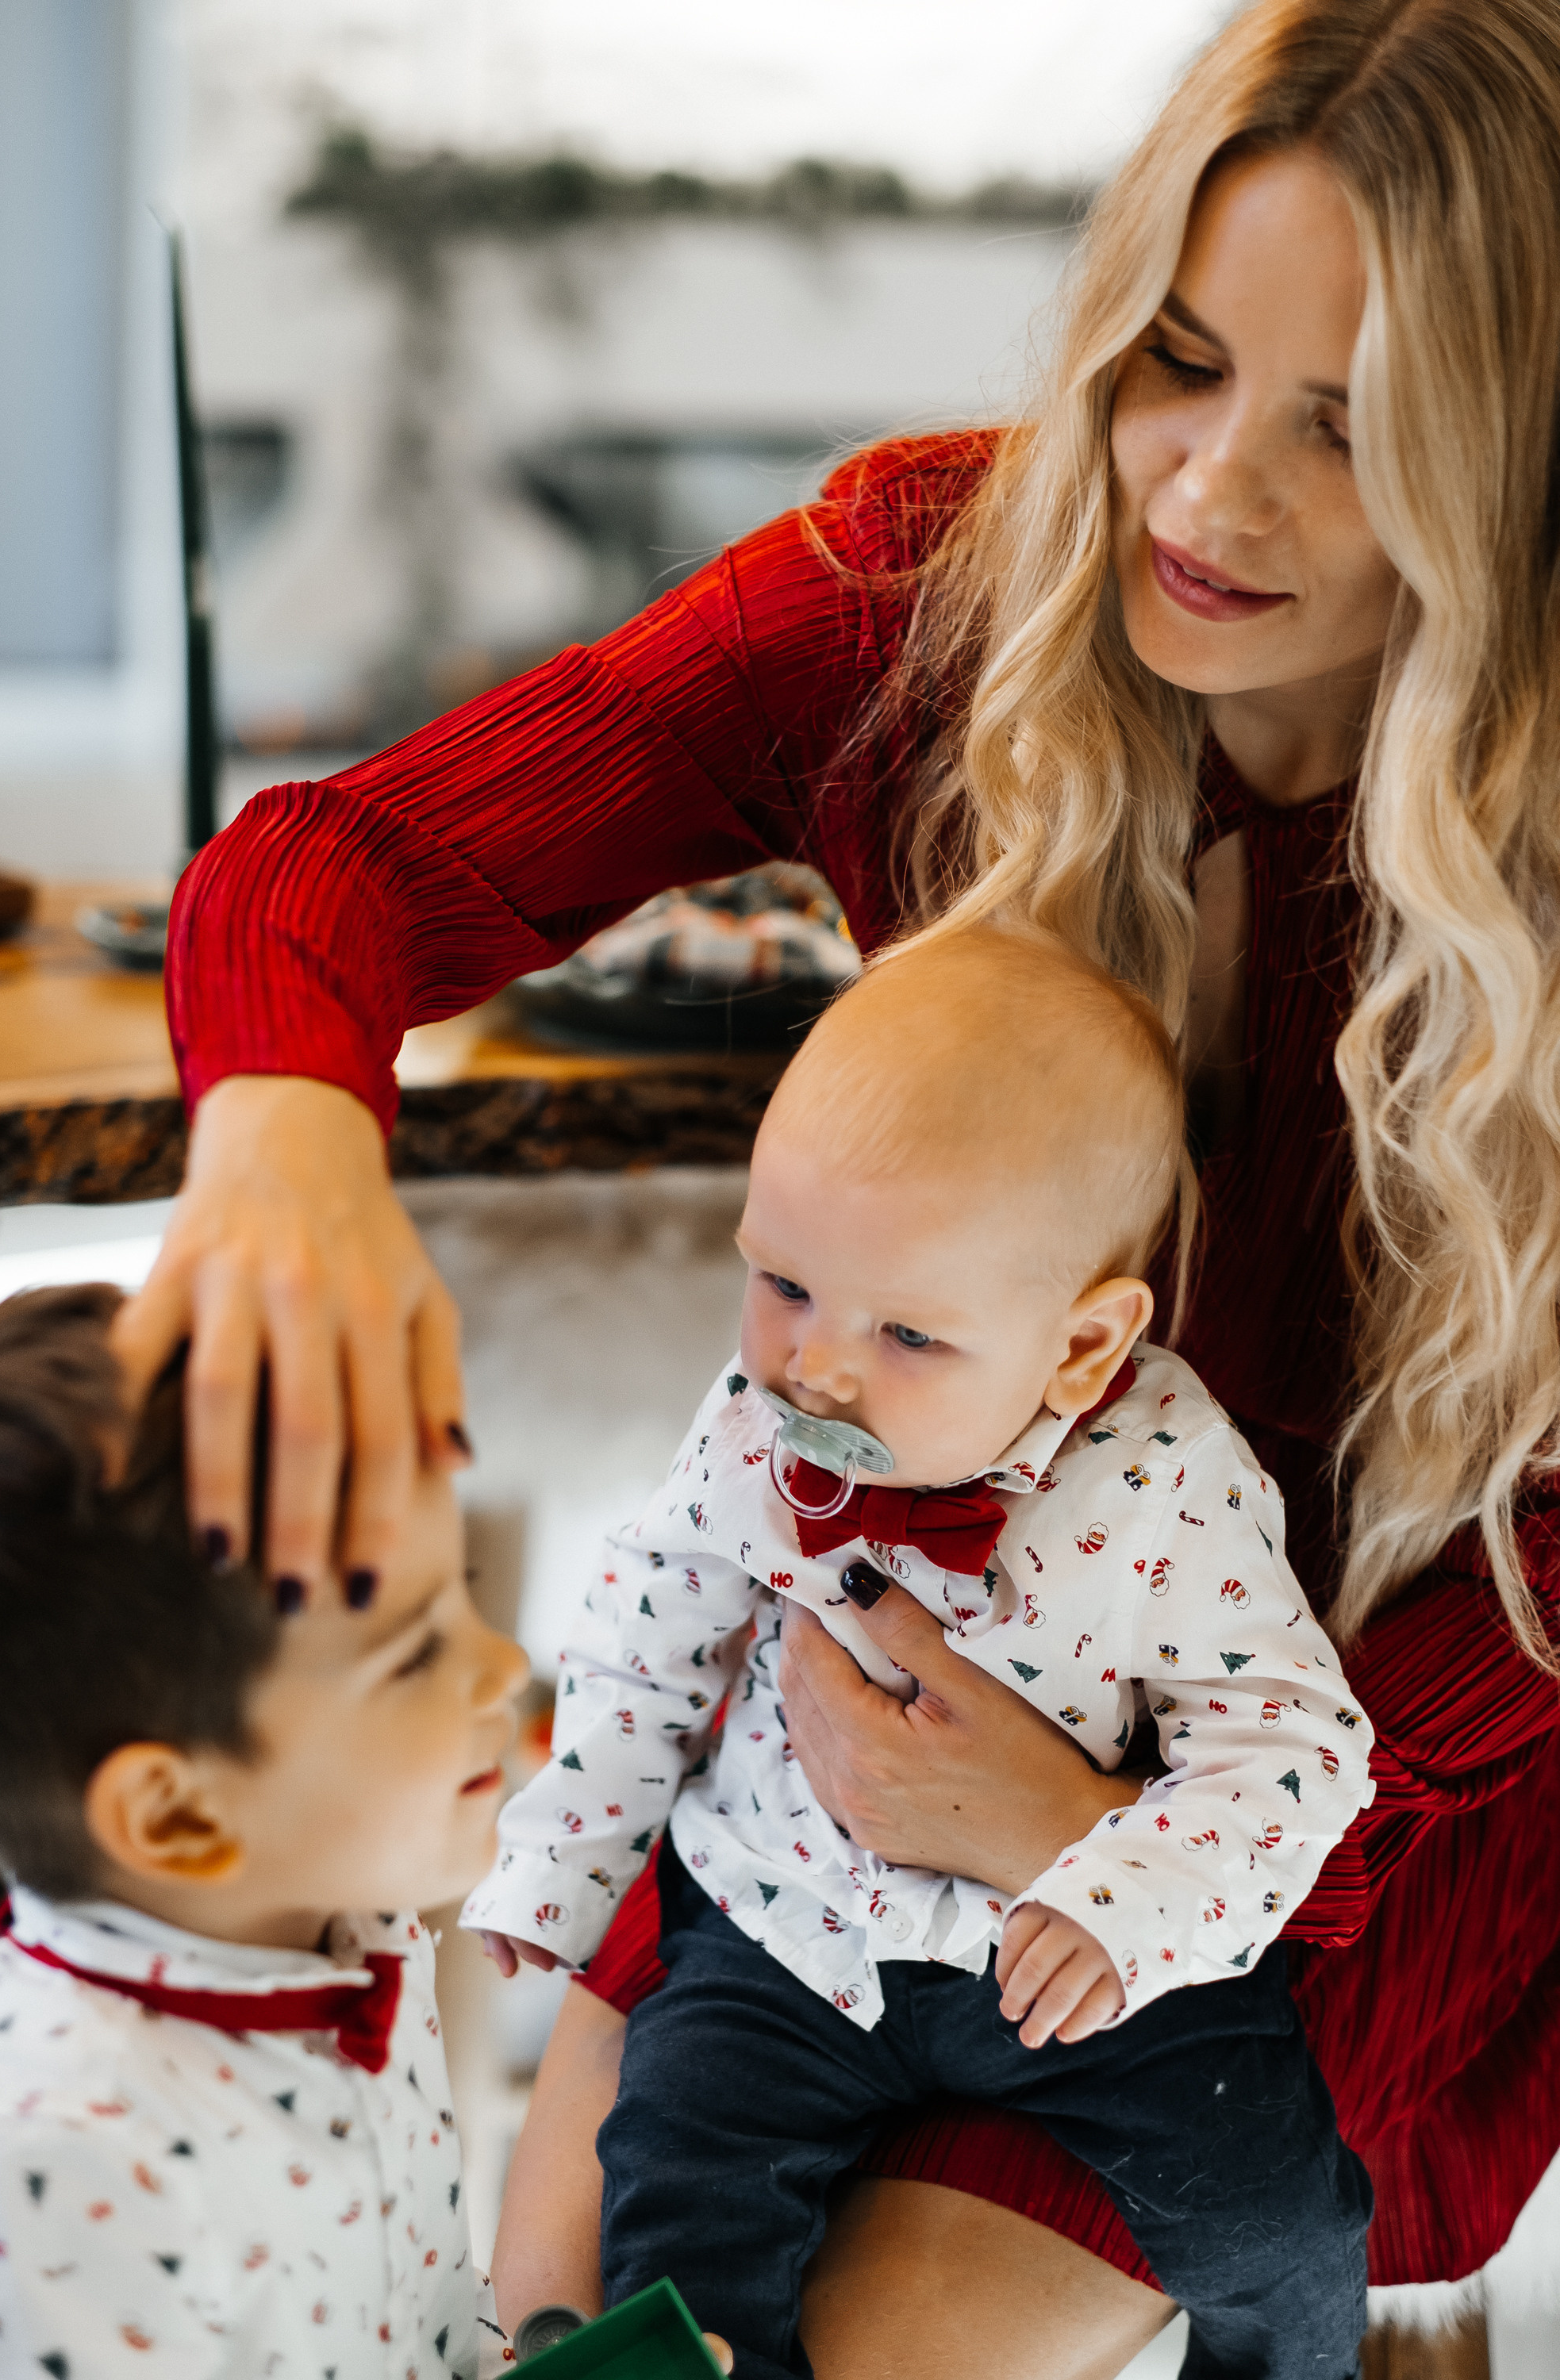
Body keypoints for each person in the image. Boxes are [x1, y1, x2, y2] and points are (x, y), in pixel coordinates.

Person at [130, 0, 1560, 2368]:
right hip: (829, 1753)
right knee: (588, 2329)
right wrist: (286, 1144)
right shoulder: (926, 589)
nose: (1203, 499)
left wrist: (1113, 1828)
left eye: (1353, 426)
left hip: (1344, 1822)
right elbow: (339, 861)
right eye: (1176, 364)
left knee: (846, 2347)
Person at [471, 926, 1376, 2380]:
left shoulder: (1167, 1482)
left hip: (1073, 1955)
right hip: (782, 1930)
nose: (813, 1368)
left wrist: (1129, 1895)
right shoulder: (756, 1427)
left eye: (906, 1333)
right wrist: (564, 1860)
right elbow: (643, 1638)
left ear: (1080, 1349)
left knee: (1282, 2224)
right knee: (671, 2214)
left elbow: (1295, 1747)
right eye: (783, 1286)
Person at [0, 1283, 527, 2376]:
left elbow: (435, 2321)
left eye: (459, 1596)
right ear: (178, 1815)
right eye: (414, 1653)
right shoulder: (60, 2154)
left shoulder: (362, 1940)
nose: (504, 1666)